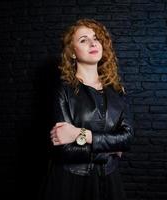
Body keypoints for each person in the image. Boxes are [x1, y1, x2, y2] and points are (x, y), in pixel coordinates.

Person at [42, 18, 134, 200]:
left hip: (109, 179)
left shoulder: (117, 91)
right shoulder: (64, 91)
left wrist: (80, 134)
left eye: (96, 38)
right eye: (83, 40)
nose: (93, 43)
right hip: (70, 180)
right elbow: (64, 150)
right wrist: (110, 147)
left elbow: (127, 139)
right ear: (73, 52)